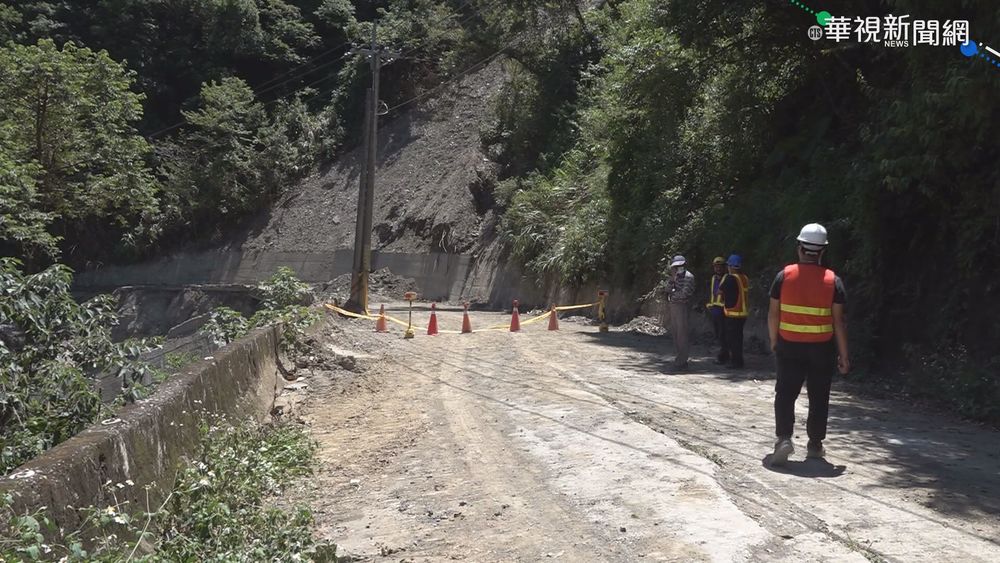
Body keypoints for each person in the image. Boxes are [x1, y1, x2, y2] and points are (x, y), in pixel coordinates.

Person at [768, 223, 850, 465]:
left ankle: (784, 439)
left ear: (799, 248)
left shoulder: (784, 276)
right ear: (822, 251)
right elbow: (838, 322)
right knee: (819, 395)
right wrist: (844, 356)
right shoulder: (833, 281)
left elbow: (773, 314)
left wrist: (775, 341)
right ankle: (815, 445)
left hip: (789, 345)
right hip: (822, 348)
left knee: (785, 393)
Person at [665, 255, 695, 370]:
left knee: (682, 334)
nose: (677, 268)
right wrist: (672, 282)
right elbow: (667, 289)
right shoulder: (675, 277)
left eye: (679, 266)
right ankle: (679, 358)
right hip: (674, 306)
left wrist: (672, 293)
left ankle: (682, 361)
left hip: (683, 306)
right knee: (676, 333)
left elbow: (684, 294)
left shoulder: (689, 277)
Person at [719, 254, 749, 369]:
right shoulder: (744, 278)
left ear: (730, 266)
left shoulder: (730, 278)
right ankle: (737, 360)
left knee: (732, 340)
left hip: (732, 314)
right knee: (738, 339)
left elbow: (720, 292)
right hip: (742, 314)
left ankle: (735, 362)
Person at [707, 257, 728, 363]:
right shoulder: (714, 278)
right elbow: (712, 293)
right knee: (718, 334)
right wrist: (710, 305)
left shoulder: (727, 278)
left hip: (723, 310)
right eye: (716, 266)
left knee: (723, 334)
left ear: (724, 267)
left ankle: (723, 357)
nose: (718, 269)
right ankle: (722, 355)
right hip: (715, 310)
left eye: (720, 266)